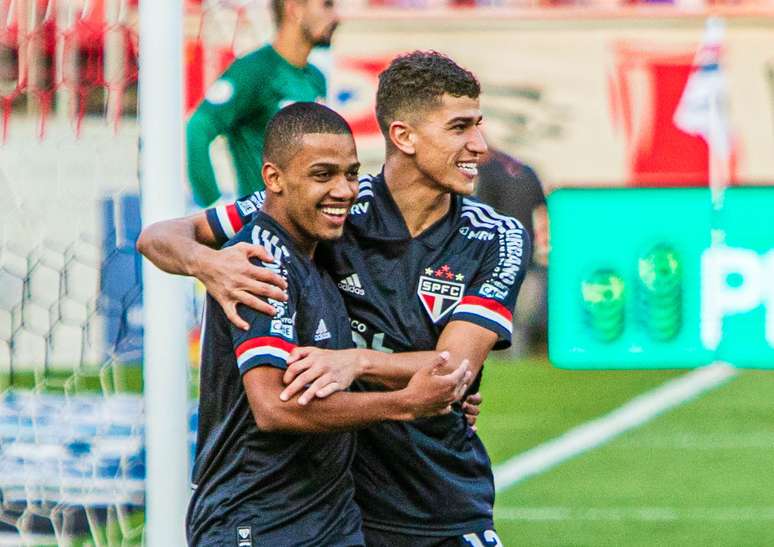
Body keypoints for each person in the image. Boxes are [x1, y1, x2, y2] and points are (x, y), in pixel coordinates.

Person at [138, 52, 531, 545]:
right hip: (342, 506)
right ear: (404, 136)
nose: (480, 145)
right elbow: (161, 236)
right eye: (460, 128)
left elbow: (454, 369)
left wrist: (355, 362)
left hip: (438, 498)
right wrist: (210, 265)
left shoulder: (496, 237)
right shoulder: (327, 204)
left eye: (478, 125)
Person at [181, 102, 472, 546]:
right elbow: (274, 406)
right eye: (323, 175)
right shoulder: (261, 261)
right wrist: (406, 403)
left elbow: (324, 378)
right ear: (274, 179)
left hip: (330, 517)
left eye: (351, 174)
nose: (344, 190)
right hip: (256, 519)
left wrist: (434, 396)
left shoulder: (318, 258)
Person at [186, 0, 339, 207]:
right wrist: (212, 206)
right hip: (264, 227)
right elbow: (198, 128)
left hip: (306, 226)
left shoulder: (316, 78)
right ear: (294, 9)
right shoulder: (253, 71)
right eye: (327, 5)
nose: (336, 16)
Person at [476, 147, 549, 354]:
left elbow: (483, 212)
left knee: (501, 314)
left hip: (501, 255)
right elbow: (541, 211)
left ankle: (508, 356)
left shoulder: (489, 173)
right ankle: (516, 355)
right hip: (527, 255)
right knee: (521, 318)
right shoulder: (527, 171)